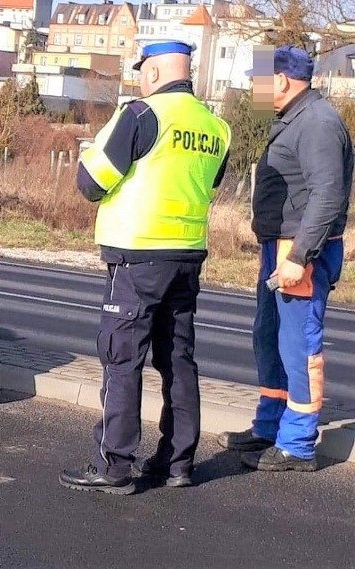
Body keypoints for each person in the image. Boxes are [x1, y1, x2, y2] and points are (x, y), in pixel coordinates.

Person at [59, 39, 232, 495]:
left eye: (141, 72)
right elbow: (209, 183)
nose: (140, 79)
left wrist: (93, 148)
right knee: (178, 359)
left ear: (153, 72)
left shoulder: (141, 115)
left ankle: (115, 464)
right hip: (188, 255)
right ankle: (177, 463)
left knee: (122, 359)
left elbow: (91, 183)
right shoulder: (216, 127)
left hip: (137, 257)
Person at [217, 45, 351, 472]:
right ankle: (270, 426)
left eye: (258, 79)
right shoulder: (294, 119)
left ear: (280, 80)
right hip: (280, 247)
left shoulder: (316, 123)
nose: (253, 88)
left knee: (298, 345)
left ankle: (296, 444)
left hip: (300, 253)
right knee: (270, 339)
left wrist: (299, 256)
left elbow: (327, 195)